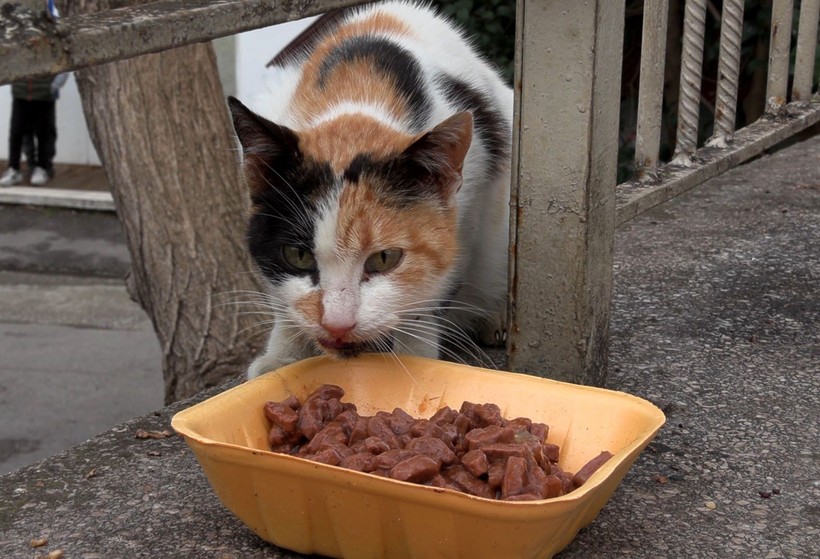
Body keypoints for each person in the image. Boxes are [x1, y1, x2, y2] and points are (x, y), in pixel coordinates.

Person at [0, 73, 68, 187]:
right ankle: (14, 168)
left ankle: (43, 168)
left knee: (44, 133)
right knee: (16, 133)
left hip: (44, 94)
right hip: (20, 93)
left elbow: (63, 67)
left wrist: (55, 85)